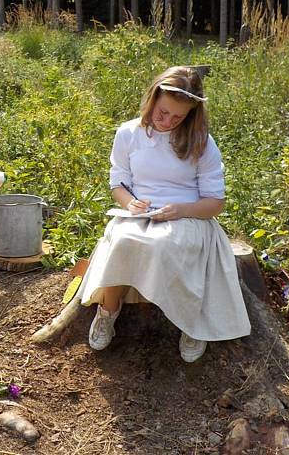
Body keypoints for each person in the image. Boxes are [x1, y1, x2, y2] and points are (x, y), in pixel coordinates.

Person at [77, 66, 250, 362]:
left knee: (168, 246)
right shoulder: (129, 133)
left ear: (191, 115)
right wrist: (129, 202)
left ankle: (193, 323)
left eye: (177, 117)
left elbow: (215, 203)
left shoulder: (202, 142)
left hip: (189, 216)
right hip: (140, 216)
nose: (168, 121)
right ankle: (108, 311)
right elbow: (117, 182)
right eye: (163, 112)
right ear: (152, 98)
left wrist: (181, 209)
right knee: (122, 240)